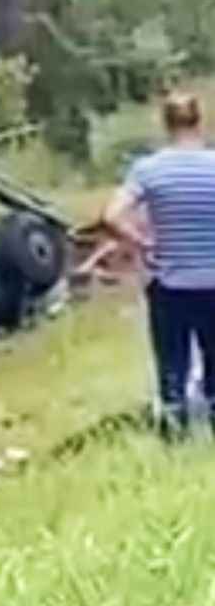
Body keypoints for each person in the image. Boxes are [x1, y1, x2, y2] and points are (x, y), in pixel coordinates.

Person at [104, 92, 215, 440]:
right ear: (200, 121)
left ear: (166, 124)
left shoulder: (148, 170)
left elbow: (111, 216)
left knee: (172, 364)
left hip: (170, 284)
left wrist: (142, 241)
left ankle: (174, 433)